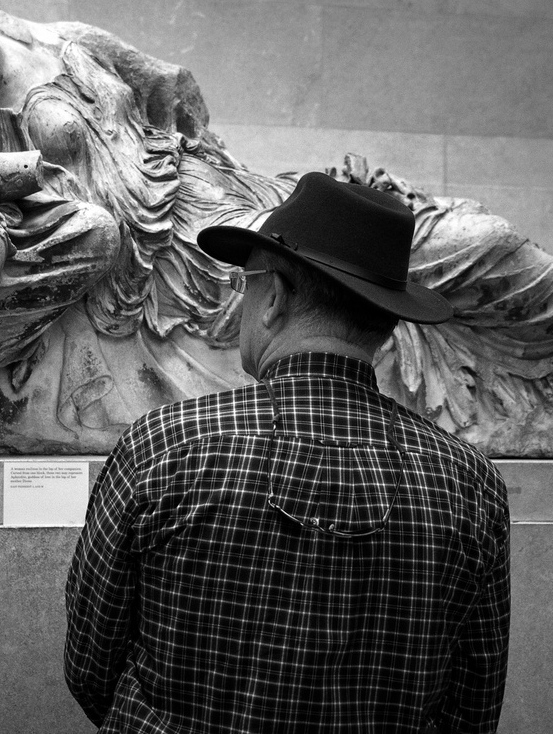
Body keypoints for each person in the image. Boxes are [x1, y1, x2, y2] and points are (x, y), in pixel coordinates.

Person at [64, 172, 511, 732]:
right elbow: (472, 707)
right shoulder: (468, 484)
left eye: (244, 283)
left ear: (273, 296)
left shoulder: (163, 448)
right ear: (386, 321)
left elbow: (90, 664)